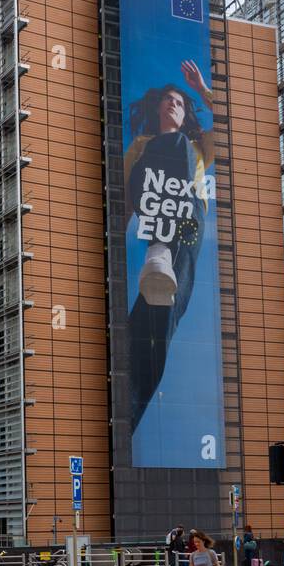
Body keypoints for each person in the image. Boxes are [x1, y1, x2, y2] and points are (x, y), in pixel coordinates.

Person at [125, 62, 215, 433]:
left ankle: (161, 253)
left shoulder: (197, 147)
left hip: (189, 221)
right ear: (157, 107)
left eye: (179, 100)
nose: (173, 104)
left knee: (158, 326)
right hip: (151, 211)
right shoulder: (141, 148)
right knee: (138, 336)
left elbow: (235, 123)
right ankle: (159, 252)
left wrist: (204, 90)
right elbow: (123, 199)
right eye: (167, 99)